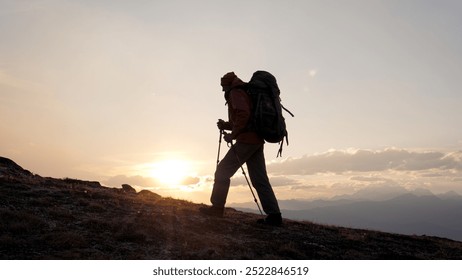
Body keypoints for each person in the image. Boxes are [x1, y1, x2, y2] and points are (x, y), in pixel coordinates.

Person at [200, 72, 282, 226]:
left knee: (223, 171)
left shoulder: (236, 92)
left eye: (223, 86)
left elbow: (244, 114)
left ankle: (217, 208)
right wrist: (227, 125)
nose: (223, 90)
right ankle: (274, 216)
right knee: (260, 179)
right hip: (257, 140)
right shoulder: (245, 91)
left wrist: (233, 135)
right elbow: (246, 117)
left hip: (246, 140)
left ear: (227, 84)